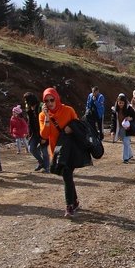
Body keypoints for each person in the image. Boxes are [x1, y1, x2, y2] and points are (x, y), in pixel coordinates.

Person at [39, 87, 80, 217]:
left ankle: (69, 206)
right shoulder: (42, 115)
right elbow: (44, 135)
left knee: (67, 175)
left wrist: (71, 128)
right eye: (46, 101)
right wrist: (46, 117)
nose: (50, 103)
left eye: (52, 99)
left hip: (71, 149)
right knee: (67, 176)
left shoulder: (68, 110)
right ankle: (75, 201)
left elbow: (79, 126)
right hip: (56, 151)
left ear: (57, 98)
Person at [24, 92, 49, 172]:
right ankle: (41, 162)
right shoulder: (29, 109)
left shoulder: (41, 107)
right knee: (31, 148)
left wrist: (44, 136)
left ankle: (47, 167)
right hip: (34, 133)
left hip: (43, 132)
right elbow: (29, 122)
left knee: (44, 151)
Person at [111, 93, 135, 164]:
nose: (121, 104)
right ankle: (130, 154)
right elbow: (113, 121)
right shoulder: (115, 110)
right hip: (119, 128)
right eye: (120, 103)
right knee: (125, 142)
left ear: (125, 102)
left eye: (122, 103)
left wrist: (130, 118)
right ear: (117, 102)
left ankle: (125, 158)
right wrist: (112, 131)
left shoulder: (129, 108)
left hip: (127, 128)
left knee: (126, 142)